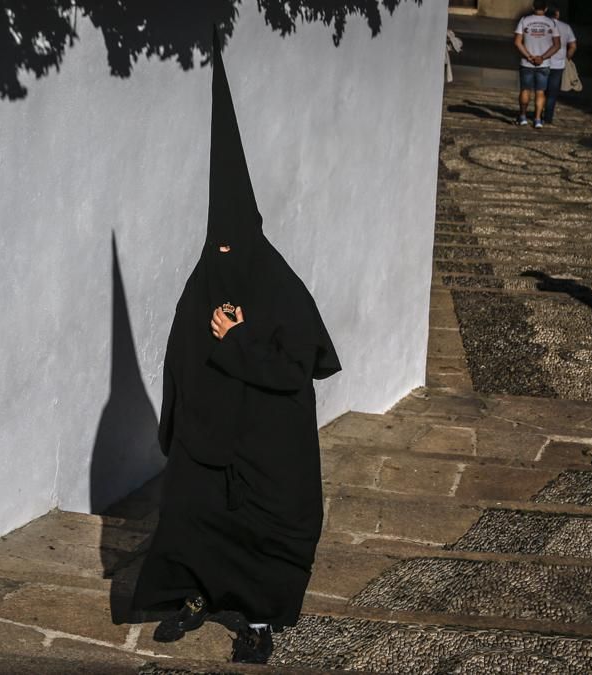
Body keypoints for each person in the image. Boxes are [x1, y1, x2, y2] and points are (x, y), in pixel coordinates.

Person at [129, 28, 341, 666]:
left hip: (268, 447)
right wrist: (178, 421)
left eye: (234, 244)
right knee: (191, 519)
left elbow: (298, 365)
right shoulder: (203, 281)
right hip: (207, 440)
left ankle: (256, 623)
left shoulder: (280, 287)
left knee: (262, 536)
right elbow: (179, 354)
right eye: (215, 244)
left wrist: (239, 338)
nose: (224, 257)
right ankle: (192, 598)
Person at [514, 0, 562, 129]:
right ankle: (537, 119)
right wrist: (542, 57)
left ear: (532, 7)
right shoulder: (551, 23)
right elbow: (557, 45)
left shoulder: (524, 20)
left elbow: (517, 42)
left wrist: (529, 56)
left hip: (526, 63)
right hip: (543, 64)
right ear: (545, 9)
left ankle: (523, 117)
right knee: (540, 92)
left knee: (525, 90)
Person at [543, 4, 578, 125]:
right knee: (552, 93)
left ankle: (538, 113)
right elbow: (573, 46)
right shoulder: (566, 27)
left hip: (542, 62)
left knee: (541, 91)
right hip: (558, 64)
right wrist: (567, 56)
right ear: (557, 14)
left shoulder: (543, 25)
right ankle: (547, 117)